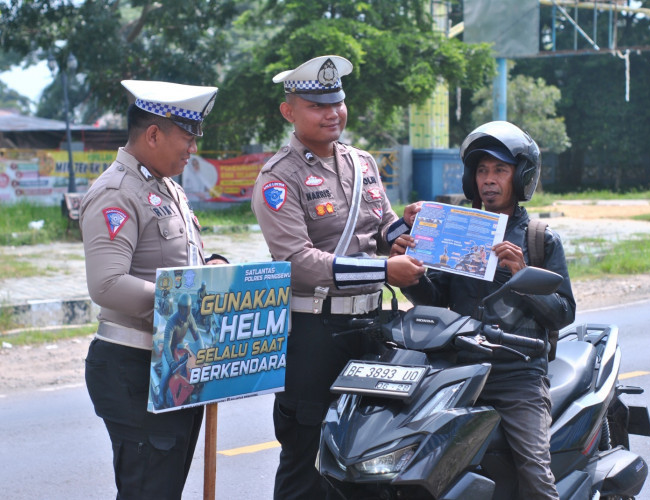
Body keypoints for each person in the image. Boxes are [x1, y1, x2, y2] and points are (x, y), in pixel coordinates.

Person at [251, 55, 426, 500]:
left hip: (369, 330)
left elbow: (383, 228)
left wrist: (412, 230)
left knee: (370, 454)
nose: (332, 113)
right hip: (314, 333)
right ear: (289, 111)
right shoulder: (279, 177)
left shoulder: (361, 162)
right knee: (306, 461)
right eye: (316, 105)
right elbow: (297, 261)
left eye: (338, 102)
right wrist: (386, 268)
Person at [394, 121, 576, 499]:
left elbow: (563, 313)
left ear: (521, 176)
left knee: (535, 472)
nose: (488, 180)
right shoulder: (457, 228)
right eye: (482, 170)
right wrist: (408, 274)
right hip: (456, 369)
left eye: (500, 170)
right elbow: (435, 300)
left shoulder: (539, 239)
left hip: (517, 376)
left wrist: (522, 273)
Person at [80, 79, 220, 499]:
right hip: (134, 366)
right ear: (154, 134)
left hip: (172, 363)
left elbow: (179, 264)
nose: (193, 147)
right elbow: (106, 284)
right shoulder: (117, 191)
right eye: (187, 135)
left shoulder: (167, 186)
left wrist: (212, 268)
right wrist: (188, 302)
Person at [156, 293, 205, 409]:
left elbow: (197, 334)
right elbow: (167, 345)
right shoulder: (171, 322)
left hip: (181, 348)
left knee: (192, 369)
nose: (184, 311)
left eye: (186, 308)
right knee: (166, 373)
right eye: (182, 308)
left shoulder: (190, 318)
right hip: (170, 350)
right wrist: (171, 362)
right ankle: (160, 397)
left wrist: (202, 352)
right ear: (179, 308)